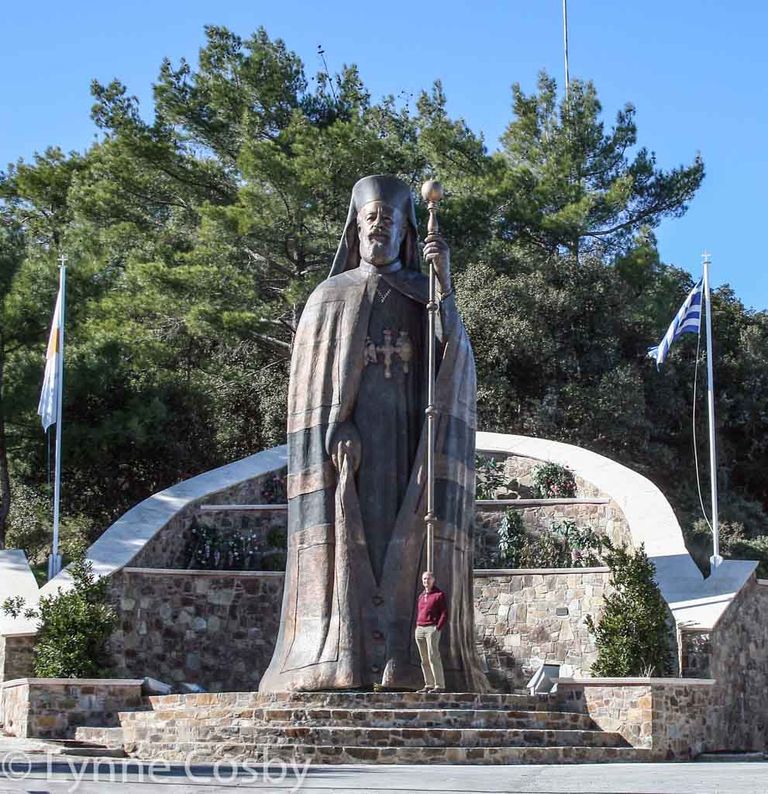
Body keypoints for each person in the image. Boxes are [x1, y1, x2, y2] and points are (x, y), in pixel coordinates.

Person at [258, 175, 487, 693]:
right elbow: (310, 395)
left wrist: (444, 282)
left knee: (410, 545)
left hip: (411, 444)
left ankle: (408, 664)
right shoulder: (328, 297)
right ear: (356, 230)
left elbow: (457, 362)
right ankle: (342, 657)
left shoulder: (425, 294)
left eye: (390, 221)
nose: (379, 229)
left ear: (407, 230)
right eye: (370, 220)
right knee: (351, 544)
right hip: (353, 451)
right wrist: (334, 429)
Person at [415, 571, 447, 693]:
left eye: (428, 579)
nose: (426, 581)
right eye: (424, 579)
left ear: (433, 580)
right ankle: (428, 684)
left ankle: (439, 685)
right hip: (420, 629)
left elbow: (444, 613)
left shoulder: (439, 595)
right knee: (424, 659)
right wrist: (417, 626)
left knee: (433, 656)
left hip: (432, 629)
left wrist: (437, 628)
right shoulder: (421, 596)